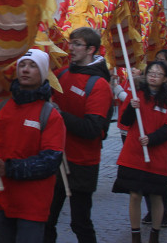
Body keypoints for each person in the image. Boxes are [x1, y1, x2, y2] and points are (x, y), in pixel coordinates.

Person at [0, 48, 66, 243]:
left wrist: (9, 168)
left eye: (32, 66)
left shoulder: (50, 115)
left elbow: (50, 161)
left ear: (43, 73)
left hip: (32, 203)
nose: (26, 69)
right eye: (22, 64)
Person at [44, 26, 112, 243]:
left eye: (76, 44)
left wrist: (60, 115)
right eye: (70, 43)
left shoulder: (99, 84)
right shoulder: (61, 73)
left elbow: (92, 129)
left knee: (79, 222)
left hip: (83, 162)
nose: (70, 48)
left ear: (91, 49)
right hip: (56, 157)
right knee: (46, 219)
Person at [112, 61, 167, 243]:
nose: (153, 76)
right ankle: (135, 234)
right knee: (135, 195)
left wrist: (152, 139)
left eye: (158, 74)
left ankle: (155, 234)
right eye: (151, 72)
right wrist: (131, 108)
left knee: (156, 195)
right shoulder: (137, 94)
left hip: (157, 154)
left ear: (165, 78)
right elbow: (125, 121)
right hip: (135, 152)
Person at [141, 49, 167, 227]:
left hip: (166, 141)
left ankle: (162, 212)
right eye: (156, 60)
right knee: (144, 176)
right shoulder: (143, 89)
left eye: (163, 61)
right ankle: (151, 210)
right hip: (145, 138)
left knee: (162, 178)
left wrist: (156, 136)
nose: (159, 63)